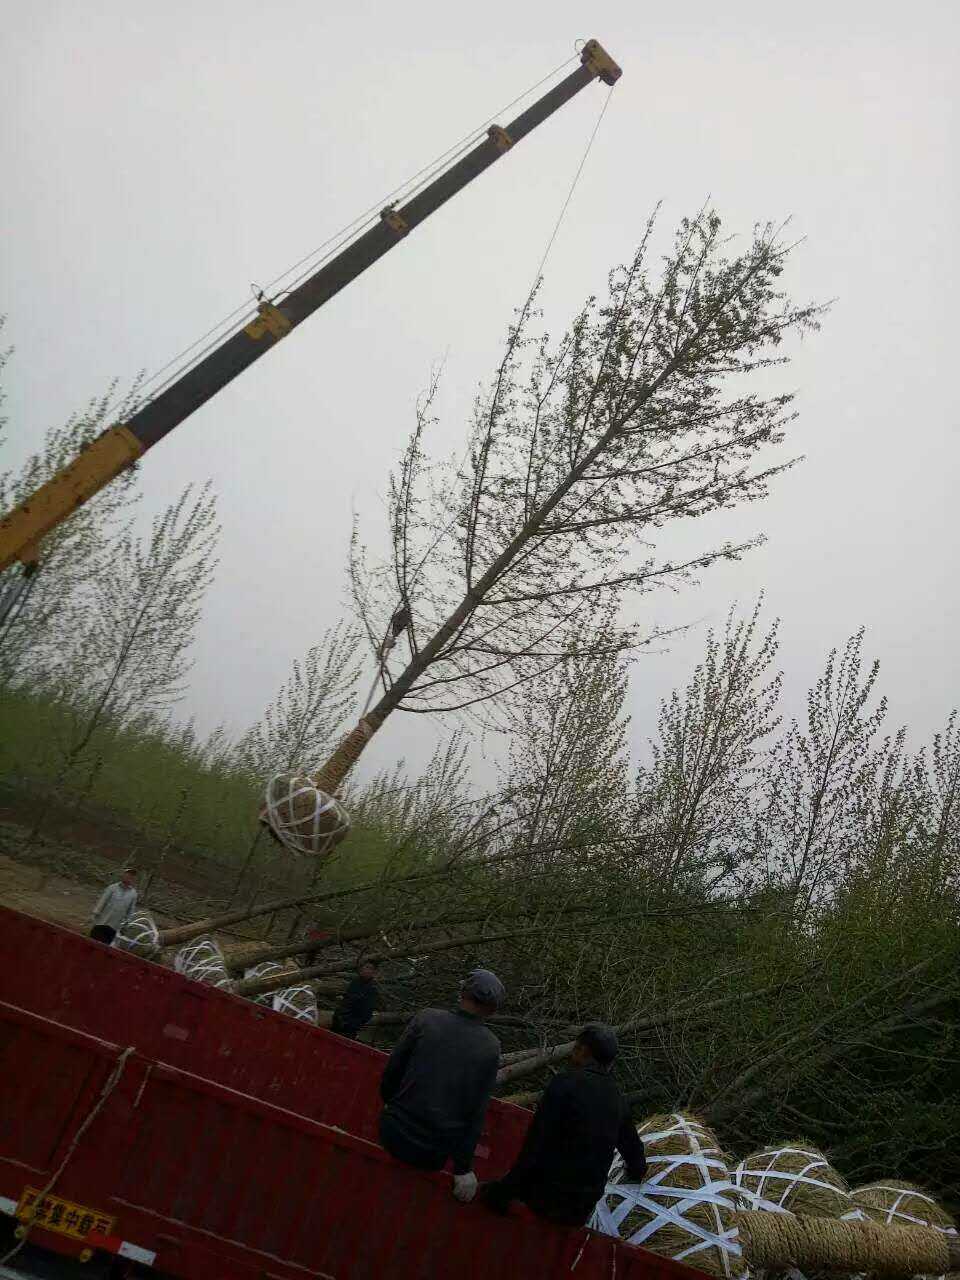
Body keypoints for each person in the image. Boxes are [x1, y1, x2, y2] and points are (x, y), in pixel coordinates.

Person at [481, 1023, 646, 1226]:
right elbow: (635, 1155)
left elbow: (536, 1144)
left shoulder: (565, 1084)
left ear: (583, 1050)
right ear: (610, 1062)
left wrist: (504, 1191)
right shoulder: (617, 1098)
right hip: (580, 1208)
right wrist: (635, 1174)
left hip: (545, 1197)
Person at [379, 968, 504, 1203]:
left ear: (462, 993)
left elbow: (392, 1072)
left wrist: (391, 1106)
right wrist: (463, 1168)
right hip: (433, 1152)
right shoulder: (490, 1047)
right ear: (492, 1009)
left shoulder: (426, 1019)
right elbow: (476, 1112)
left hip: (393, 1133)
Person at [330, 956, 380, 1040]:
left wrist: (353, 1025)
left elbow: (367, 1013)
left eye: (369, 968)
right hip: (338, 1021)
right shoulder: (355, 982)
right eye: (365, 967)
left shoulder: (372, 989)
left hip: (351, 1027)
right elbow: (345, 1001)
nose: (366, 970)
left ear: (374, 972)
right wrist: (338, 1016)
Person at [89, 867, 138, 945]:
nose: (129, 877)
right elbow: (102, 901)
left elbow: (130, 911)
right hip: (101, 922)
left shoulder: (133, 894)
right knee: (91, 943)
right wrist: (94, 914)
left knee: (104, 947)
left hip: (114, 926)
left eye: (132, 876)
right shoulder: (112, 888)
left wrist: (126, 924)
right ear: (123, 875)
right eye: (128, 875)